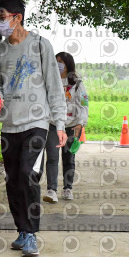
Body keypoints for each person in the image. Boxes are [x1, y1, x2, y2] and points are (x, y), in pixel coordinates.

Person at [0, 0, 67, 257]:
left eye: (2, 17)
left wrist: (60, 124)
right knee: (12, 181)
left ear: (17, 17)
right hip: (9, 126)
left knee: (27, 174)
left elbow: (54, 86)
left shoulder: (41, 45)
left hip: (36, 124)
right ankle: (22, 230)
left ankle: (31, 234)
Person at [43, 52, 89, 203]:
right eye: (56, 61)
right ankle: (51, 190)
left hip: (72, 125)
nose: (58, 64)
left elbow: (84, 104)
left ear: (68, 64)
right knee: (52, 157)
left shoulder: (78, 84)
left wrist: (80, 123)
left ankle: (68, 188)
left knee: (68, 157)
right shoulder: (50, 81)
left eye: (61, 62)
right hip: (53, 124)